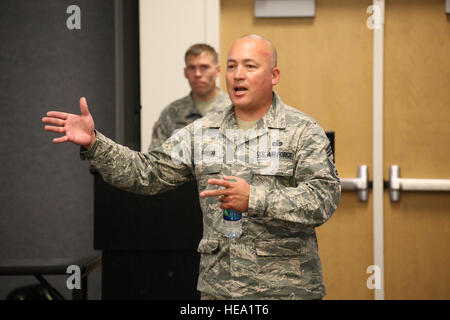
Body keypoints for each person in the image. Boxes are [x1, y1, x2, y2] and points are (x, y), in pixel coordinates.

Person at [42, 34, 341, 300]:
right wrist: (95, 142)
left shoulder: (302, 130)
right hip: (219, 289)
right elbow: (147, 172)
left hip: (287, 289)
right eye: (233, 66)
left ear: (274, 75)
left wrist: (255, 198)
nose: (239, 75)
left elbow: (323, 199)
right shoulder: (203, 131)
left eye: (250, 67)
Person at [149, 43, 230, 150]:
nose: (197, 74)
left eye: (204, 67)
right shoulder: (172, 113)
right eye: (192, 68)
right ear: (185, 72)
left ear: (218, 70)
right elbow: (156, 160)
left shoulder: (233, 109)